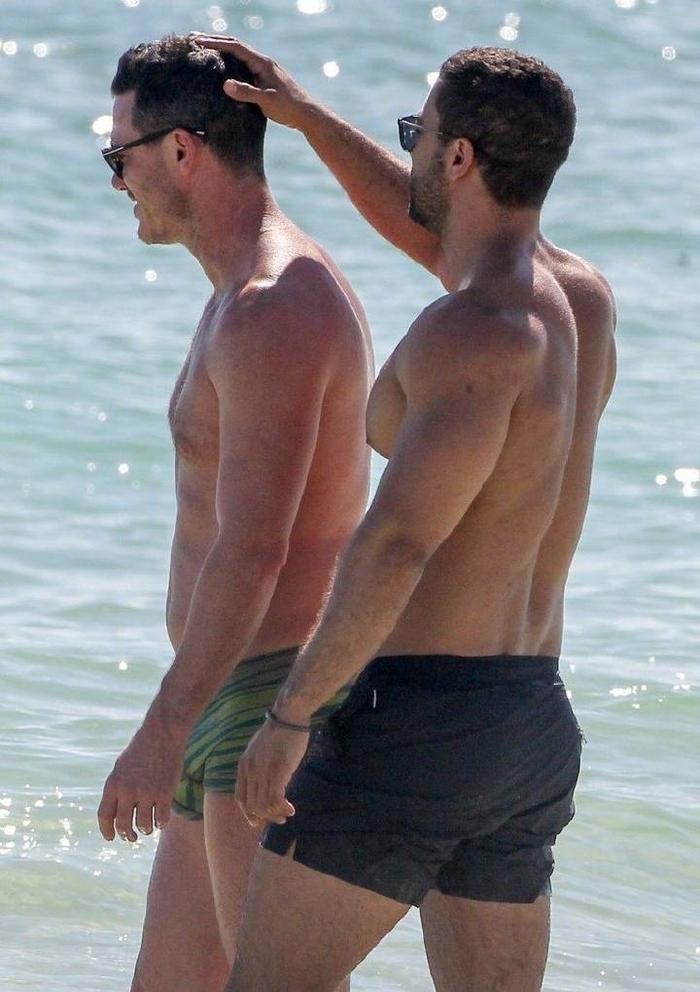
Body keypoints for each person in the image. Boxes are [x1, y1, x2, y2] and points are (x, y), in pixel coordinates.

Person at [195, 38, 617, 992]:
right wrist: (309, 120)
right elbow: (437, 233)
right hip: (528, 725)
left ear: (457, 157)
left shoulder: (471, 331)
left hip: (418, 723)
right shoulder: (578, 305)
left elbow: (396, 546)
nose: (410, 154)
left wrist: (292, 715)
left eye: (413, 135)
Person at [96, 35, 373, 992]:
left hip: (269, 703)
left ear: (181, 150)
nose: (117, 180)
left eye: (119, 155)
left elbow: (258, 551)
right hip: (226, 693)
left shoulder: (272, 304)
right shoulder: (238, 298)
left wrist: (159, 729)